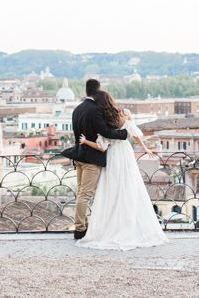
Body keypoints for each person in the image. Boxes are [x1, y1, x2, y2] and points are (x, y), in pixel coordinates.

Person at [76, 91, 169, 251]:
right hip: (125, 154)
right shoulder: (124, 117)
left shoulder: (104, 124)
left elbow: (102, 146)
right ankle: (128, 224)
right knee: (129, 186)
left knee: (111, 189)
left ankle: (109, 226)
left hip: (112, 156)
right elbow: (135, 134)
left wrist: (86, 141)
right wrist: (146, 148)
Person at [71, 79, 128, 240]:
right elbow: (105, 132)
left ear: (86, 91)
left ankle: (83, 224)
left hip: (79, 155)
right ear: (98, 90)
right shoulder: (95, 110)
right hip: (92, 158)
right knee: (85, 194)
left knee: (81, 192)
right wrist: (124, 134)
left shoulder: (77, 109)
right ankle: (80, 228)